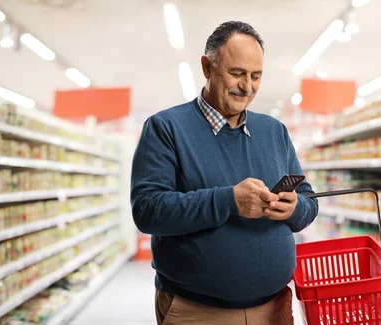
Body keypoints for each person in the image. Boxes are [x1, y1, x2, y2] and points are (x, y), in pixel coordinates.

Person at [130, 21, 319, 325]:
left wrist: (295, 208)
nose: (247, 86)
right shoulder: (166, 128)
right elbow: (148, 210)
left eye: (256, 76)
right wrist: (229, 201)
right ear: (207, 66)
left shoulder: (274, 131)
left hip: (276, 309)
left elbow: (309, 201)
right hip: (197, 312)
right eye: (237, 73)